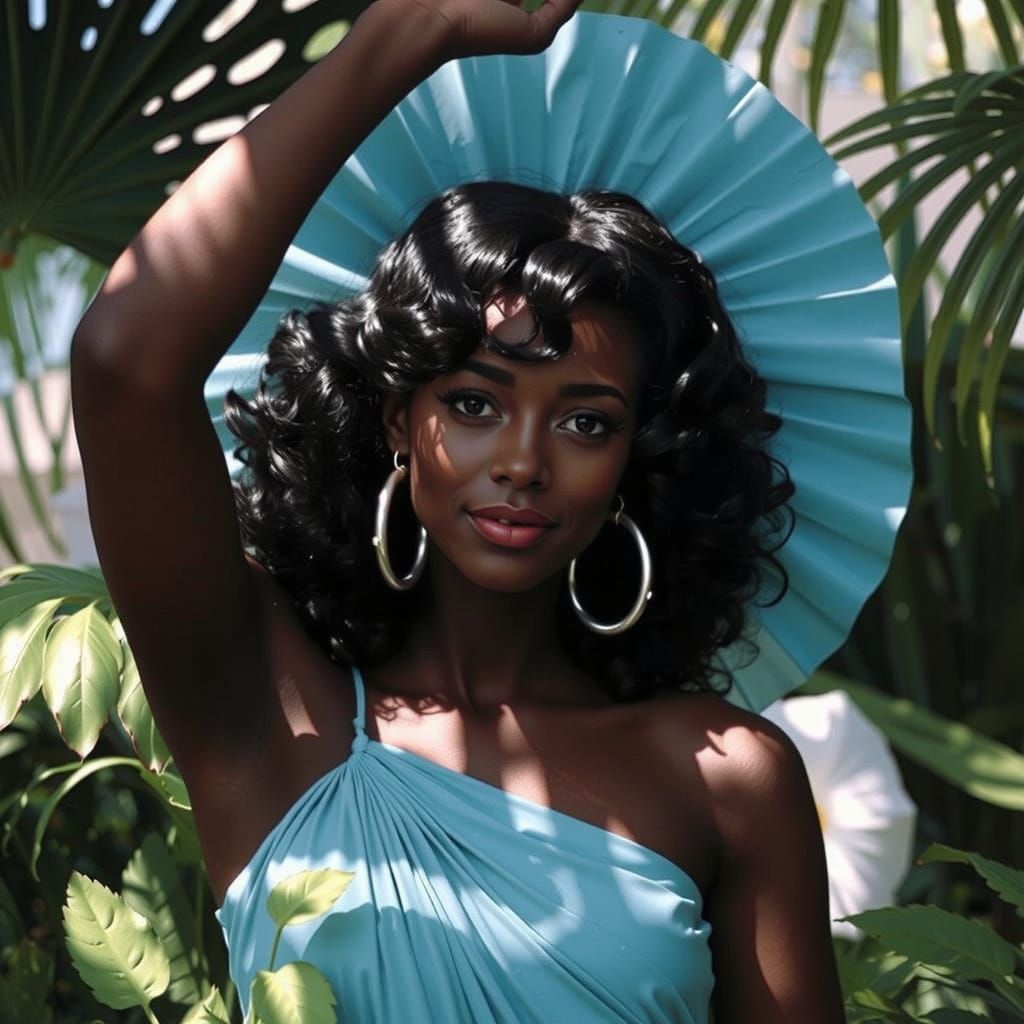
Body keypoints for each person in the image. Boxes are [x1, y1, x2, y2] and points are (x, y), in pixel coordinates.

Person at [70, 0, 846, 1020]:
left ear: (632, 462)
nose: (523, 462)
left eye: (585, 421)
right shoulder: (267, 714)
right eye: (474, 404)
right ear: (399, 419)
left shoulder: (725, 780)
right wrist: (406, 30)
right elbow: (125, 364)